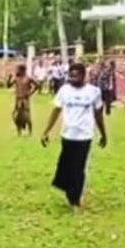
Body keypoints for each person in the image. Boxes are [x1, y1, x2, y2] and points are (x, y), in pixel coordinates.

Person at [41, 62, 108, 212]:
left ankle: (75, 199)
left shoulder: (94, 92)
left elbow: (99, 115)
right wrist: (46, 131)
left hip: (84, 136)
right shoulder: (64, 91)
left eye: (76, 74)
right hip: (67, 134)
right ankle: (69, 189)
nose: (72, 77)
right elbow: (56, 111)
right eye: (70, 74)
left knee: (79, 168)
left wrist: (103, 134)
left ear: (84, 75)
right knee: (65, 165)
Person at [8, 64, 40, 136]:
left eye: (18, 69)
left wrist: (30, 93)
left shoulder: (28, 78)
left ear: (22, 70)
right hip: (18, 99)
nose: (17, 71)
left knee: (27, 116)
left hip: (25, 100)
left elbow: (37, 85)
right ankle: (19, 132)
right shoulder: (16, 78)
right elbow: (8, 86)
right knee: (16, 116)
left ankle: (30, 132)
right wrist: (9, 78)